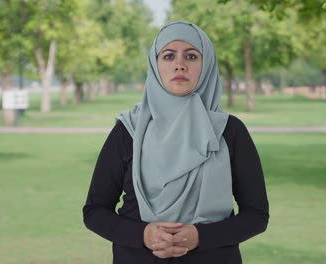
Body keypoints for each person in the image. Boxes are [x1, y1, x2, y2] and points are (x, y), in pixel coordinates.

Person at [83, 21, 269, 264]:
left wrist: (201, 236)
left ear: (206, 65)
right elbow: (95, 211)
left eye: (191, 56)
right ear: (155, 65)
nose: (179, 65)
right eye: (169, 56)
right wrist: (144, 235)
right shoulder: (128, 131)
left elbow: (256, 215)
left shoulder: (229, 131)